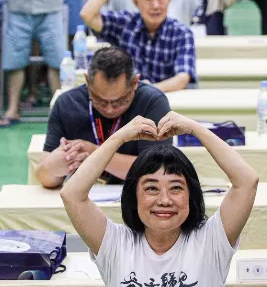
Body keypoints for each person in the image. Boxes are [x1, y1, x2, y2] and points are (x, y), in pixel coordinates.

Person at [59, 110, 258, 287]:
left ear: (191, 196)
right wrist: (119, 138)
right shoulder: (115, 244)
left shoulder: (211, 241)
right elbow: (72, 194)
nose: (164, 200)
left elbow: (247, 181)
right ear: (134, 196)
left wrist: (193, 128)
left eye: (176, 187)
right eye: (151, 188)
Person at [36, 47, 172, 187]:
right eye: (99, 100)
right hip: (83, 195)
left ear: (135, 83)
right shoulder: (67, 103)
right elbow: (44, 177)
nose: (109, 109)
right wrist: (57, 166)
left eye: (120, 101)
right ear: (87, 81)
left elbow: (156, 171)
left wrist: (93, 153)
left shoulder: (152, 102)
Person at [80, 0, 197, 92]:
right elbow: (88, 15)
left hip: (168, 102)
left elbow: (182, 78)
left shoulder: (182, 33)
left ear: (169, 0)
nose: (156, 5)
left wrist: (147, 91)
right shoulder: (125, 23)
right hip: (128, 104)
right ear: (136, 2)